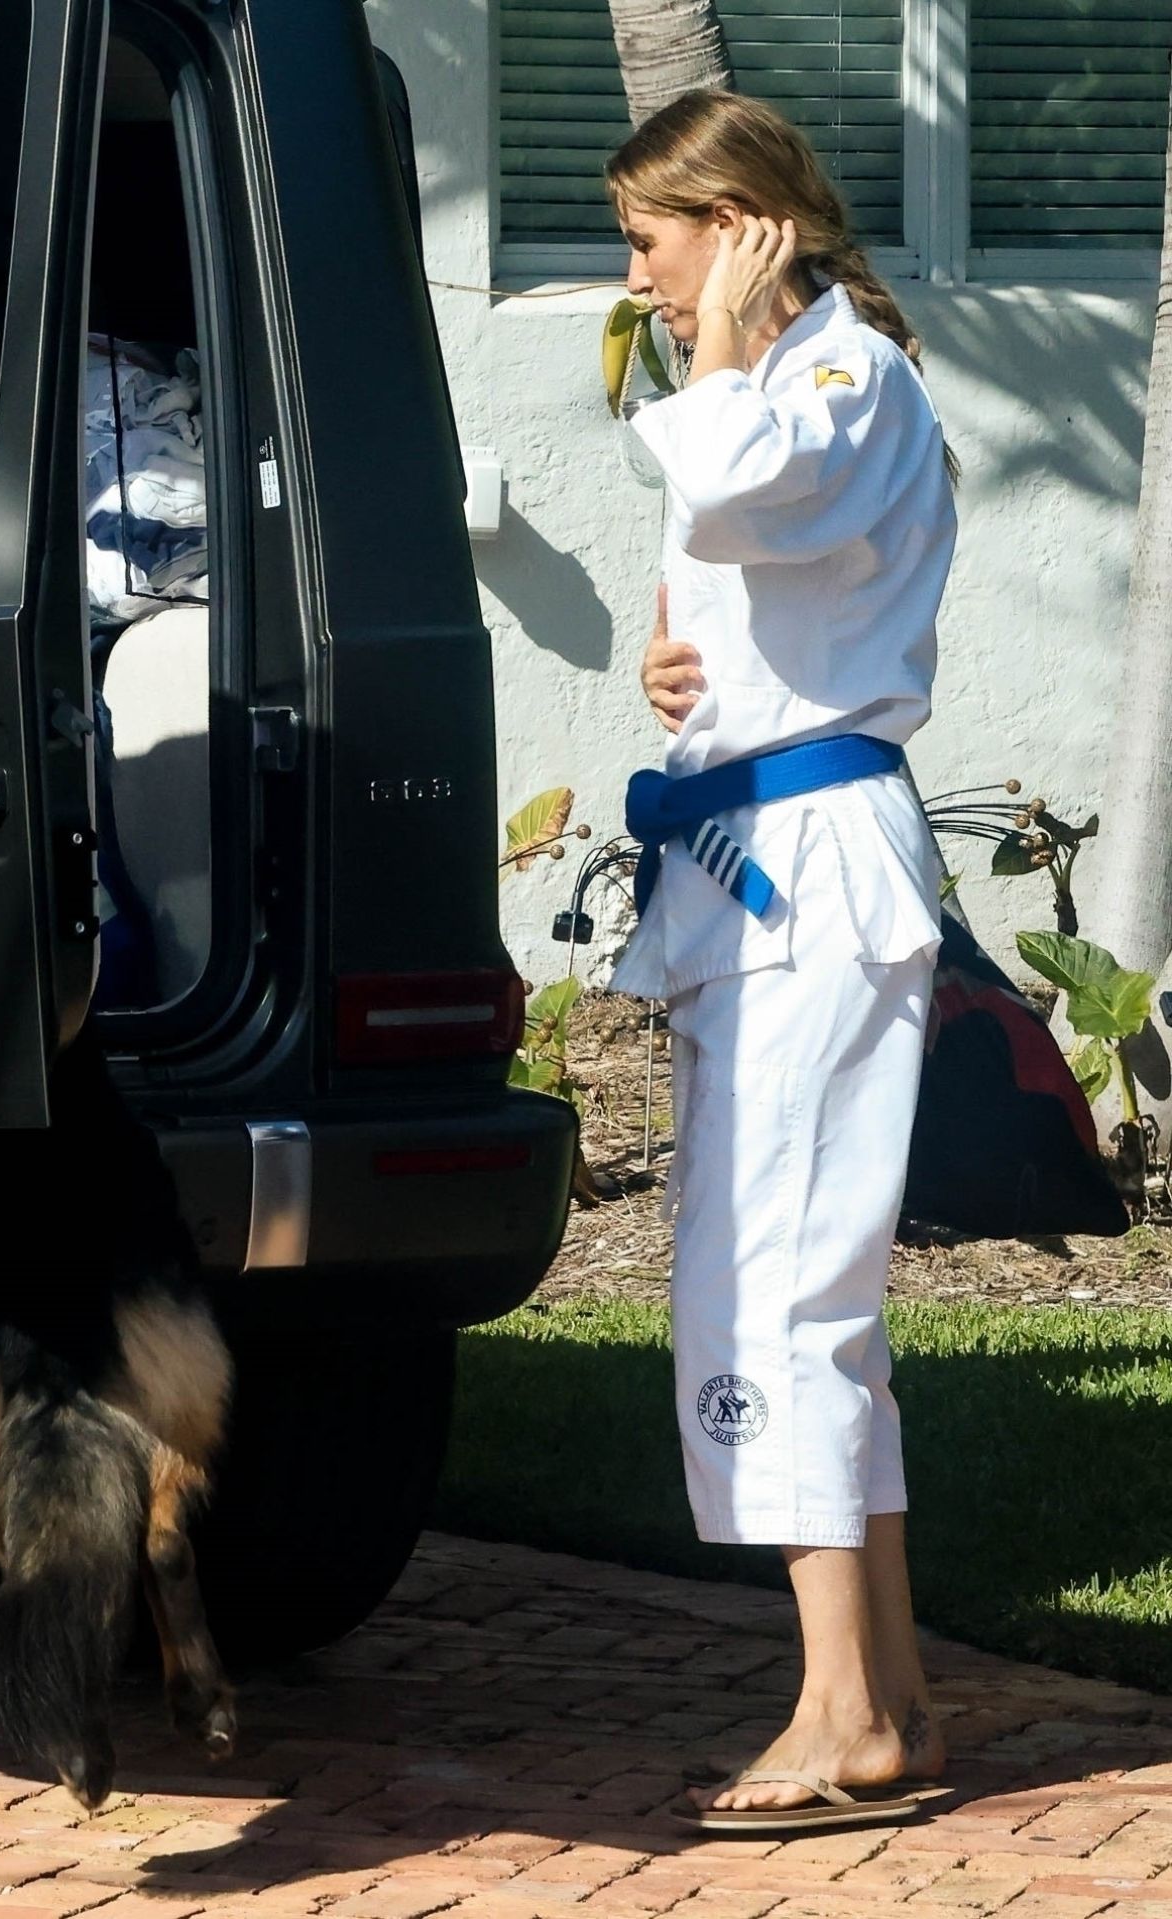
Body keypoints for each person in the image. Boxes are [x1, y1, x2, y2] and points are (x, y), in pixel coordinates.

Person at [603, 90, 959, 1834]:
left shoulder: (836, 372)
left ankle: (838, 1715)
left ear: (738, 221)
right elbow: (755, 572)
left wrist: (733, 332)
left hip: (813, 882)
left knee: (785, 1292)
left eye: (655, 244)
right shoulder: (797, 376)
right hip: (767, 859)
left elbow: (762, 484)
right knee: (806, 1290)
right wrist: (688, 691)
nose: (645, 281)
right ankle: (885, 1688)